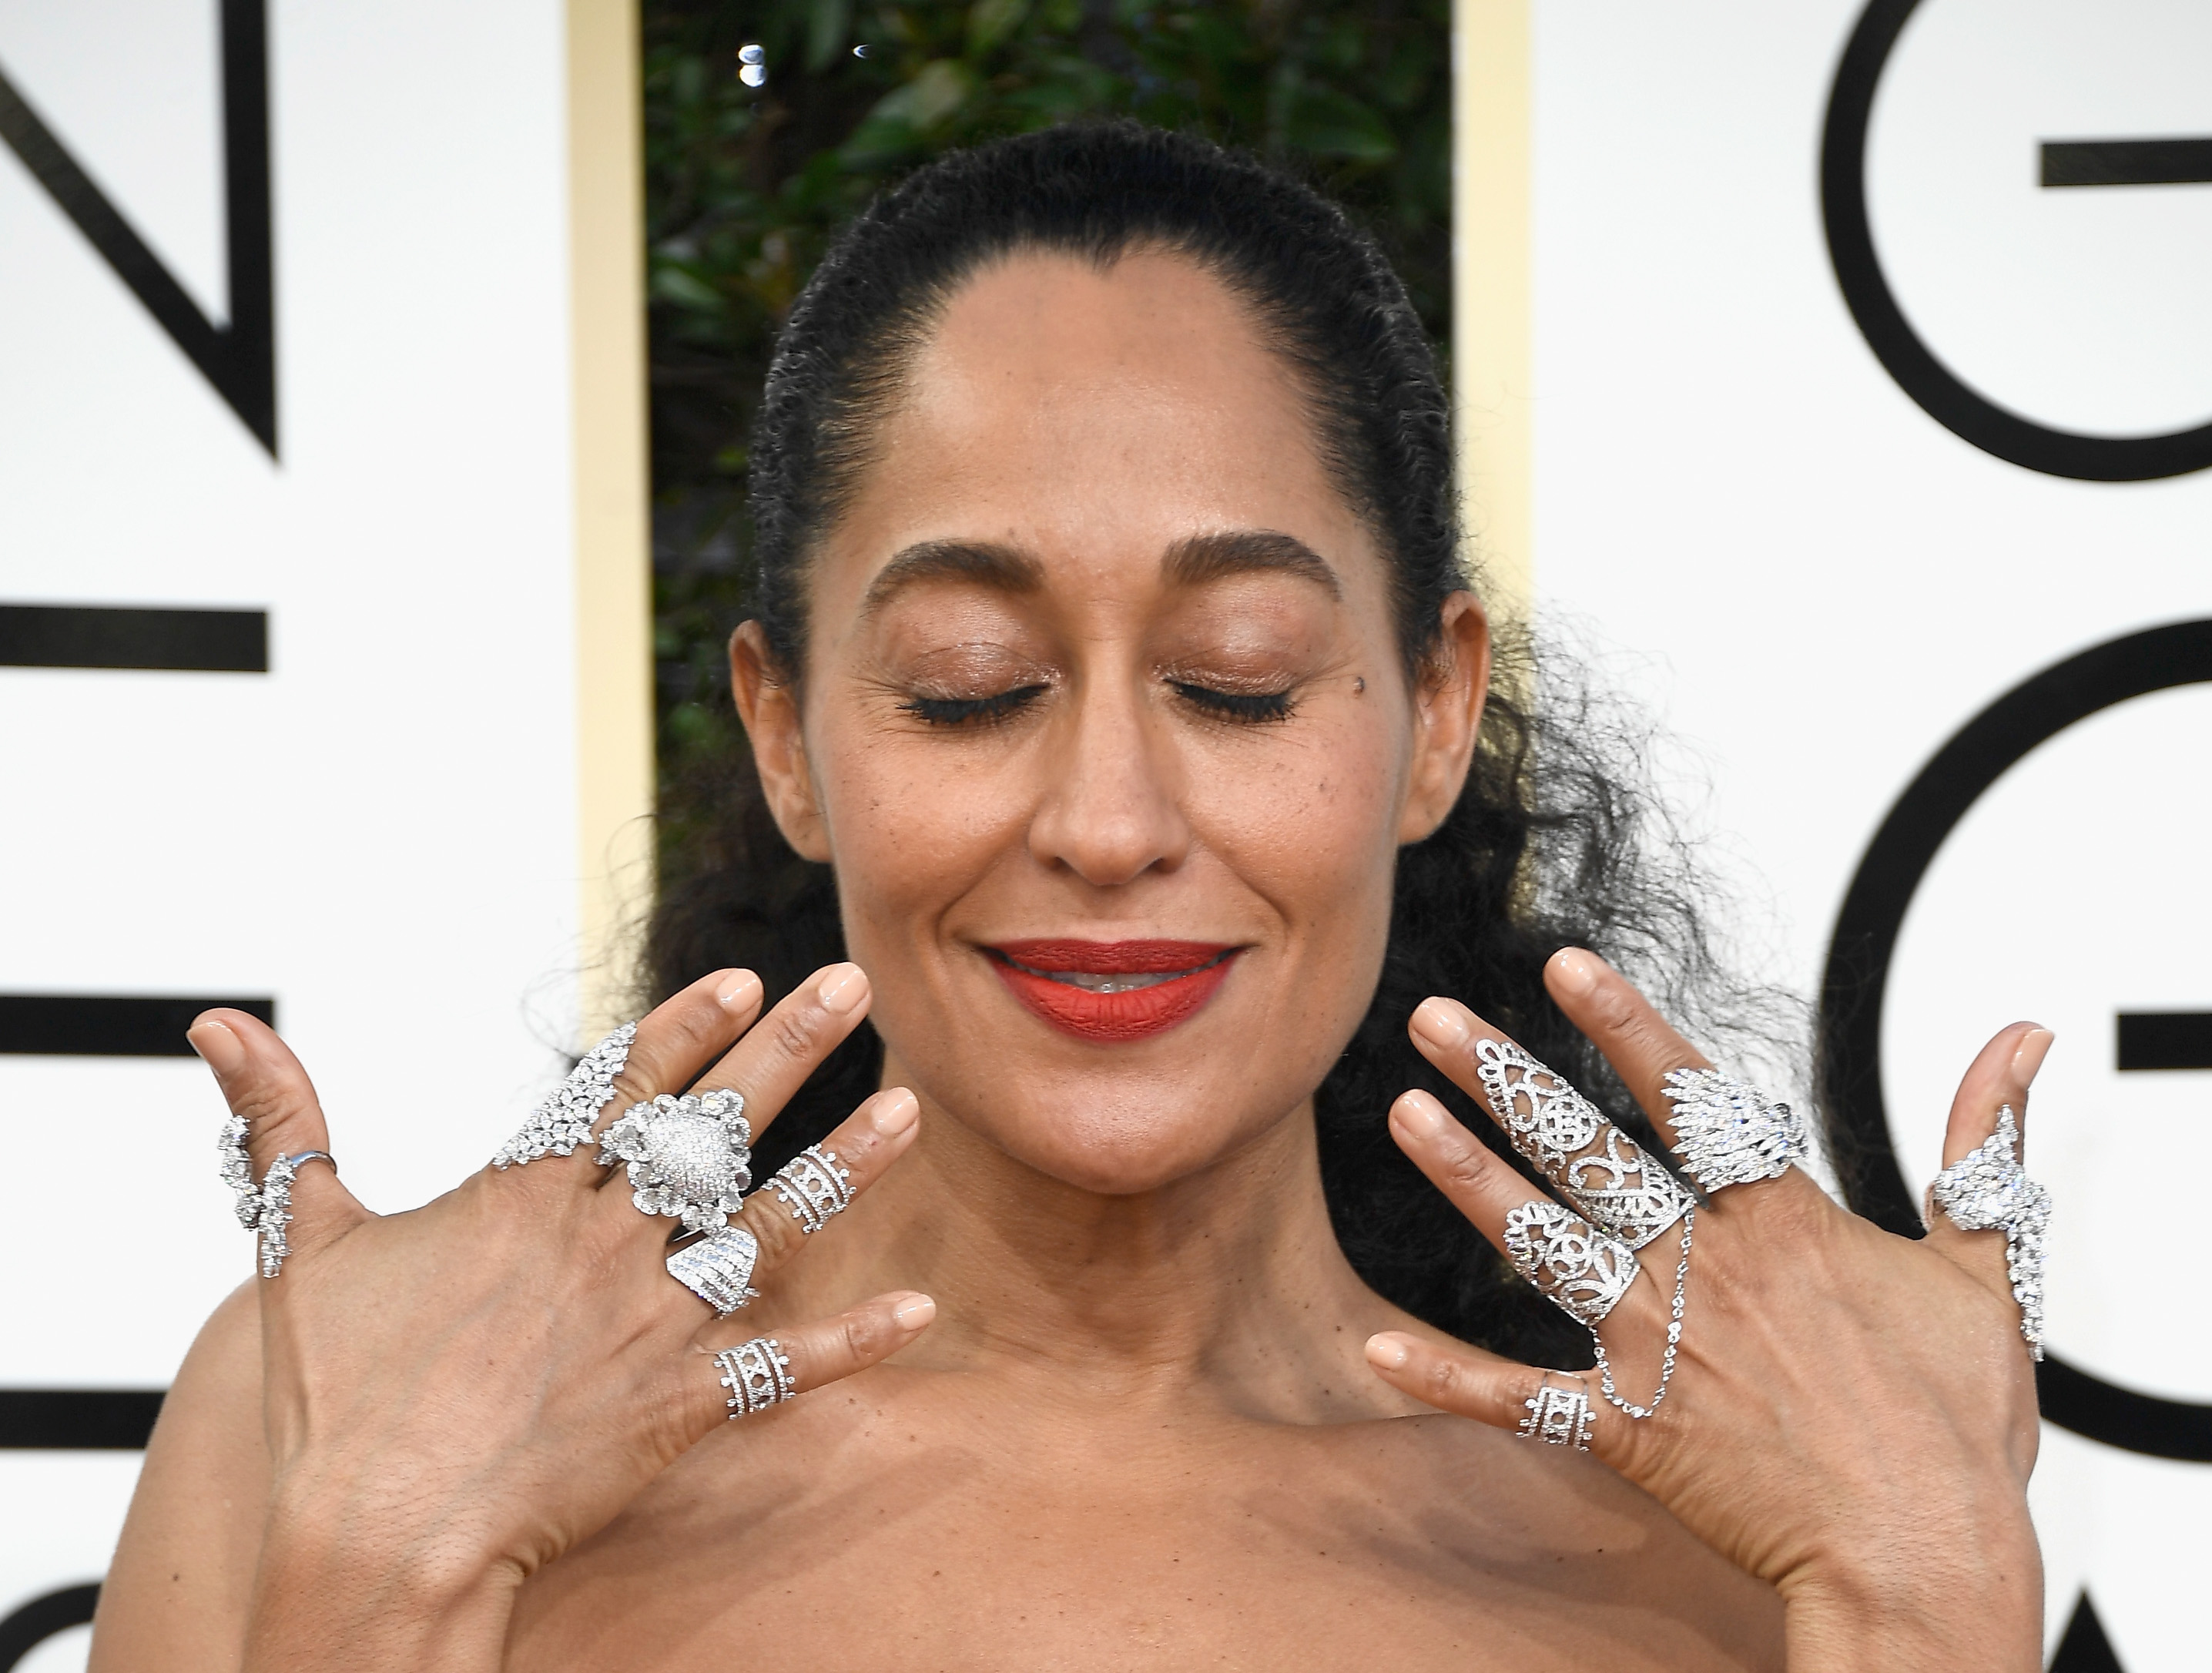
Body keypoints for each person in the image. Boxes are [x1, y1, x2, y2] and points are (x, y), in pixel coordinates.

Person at [91, 122, 2048, 1671]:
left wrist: (1922, 1578)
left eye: (1238, 679)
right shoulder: (332, 1417)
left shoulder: (1715, 1554)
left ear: (1432, 715)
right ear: (784, 738)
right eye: (969, 687)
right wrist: (387, 1567)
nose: (1106, 818)